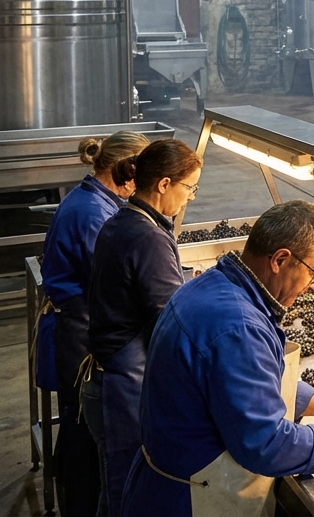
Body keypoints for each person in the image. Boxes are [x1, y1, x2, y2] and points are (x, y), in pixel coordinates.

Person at [123, 201, 314, 516]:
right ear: (280, 260)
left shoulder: (215, 285)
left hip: (166, 482)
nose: (311, 287)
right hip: (190, 499)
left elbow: (249, 385)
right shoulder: (239, 328)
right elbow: (266, 445)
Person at [82, 138, 202, 517]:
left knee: (115, 494)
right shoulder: (147, 236)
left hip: (107, 381)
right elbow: (170, 323)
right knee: (127, 496)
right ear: (164, 184)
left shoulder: (124, 219)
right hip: (123, 392)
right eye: (190, 187)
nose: (191, 197)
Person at [39, 131, 149, 517]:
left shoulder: (92, 199)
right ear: (127, 170)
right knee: (85, 434)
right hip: (80, 333)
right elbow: (115, 282)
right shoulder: (94, 215)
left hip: (80, 323)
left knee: (78, 428)